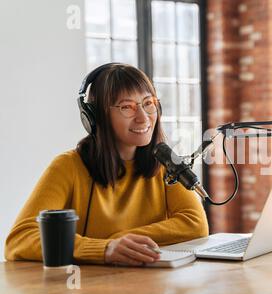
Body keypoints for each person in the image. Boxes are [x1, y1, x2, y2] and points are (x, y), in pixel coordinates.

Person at [5, 63, 209, 266]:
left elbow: (195, 224)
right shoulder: (67, 167)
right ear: (96, 117)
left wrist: (121, 239)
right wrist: (104, 248)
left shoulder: (164, 163)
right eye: (127, 107)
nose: (143, 117)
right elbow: (20, 239)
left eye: (148, 103)